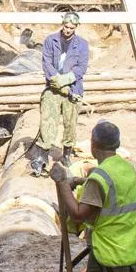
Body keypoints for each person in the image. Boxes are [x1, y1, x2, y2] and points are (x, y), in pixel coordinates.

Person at [51, 120, 136, 272]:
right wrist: (81, 181)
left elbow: (79, 213)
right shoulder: (125, 169)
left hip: (107, 261)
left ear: (93, 145)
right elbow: (109, 191)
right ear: (117, 144)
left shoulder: (100, 178)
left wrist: (63, 185)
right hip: (129, 256)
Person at [34, 12, 89, 171]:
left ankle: (66, 155)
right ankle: (42, 154)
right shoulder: (51, 40)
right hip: (53, 87)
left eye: (71, 28)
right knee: (48, 120)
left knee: (70, 123)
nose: (68, 30)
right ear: (62, 24)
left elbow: (82, 67)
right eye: (66, 27)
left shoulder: (82, 44)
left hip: (73, 88)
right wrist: (57, 80)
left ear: (76, 27)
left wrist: (67, 80)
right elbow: (47, 63)